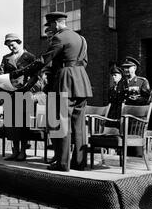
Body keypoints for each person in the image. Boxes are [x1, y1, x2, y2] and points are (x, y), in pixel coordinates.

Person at [14, 12, 93, 171]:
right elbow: (84, 62)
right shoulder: (81, 38)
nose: (48, 29)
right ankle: (80, 162)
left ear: (56, 23)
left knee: (61, 123)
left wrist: (21, 72)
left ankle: (63, 163)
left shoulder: (59, 37)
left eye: (49, 25)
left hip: (65, 82)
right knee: (78, 125)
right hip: (82, 82)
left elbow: (44, 60)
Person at [0, 33, 36, 161]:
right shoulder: (6, 58)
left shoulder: (29, 57)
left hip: (24, 93)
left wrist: (27, 86)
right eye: (9, 46)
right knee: (11, 124)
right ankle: (14, 151)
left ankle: (23, 152)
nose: (11, 48)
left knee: (23, 124)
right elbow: (2, 75)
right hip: (10, 93)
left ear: (18, 42)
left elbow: (36, 76)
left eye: (13, 45)